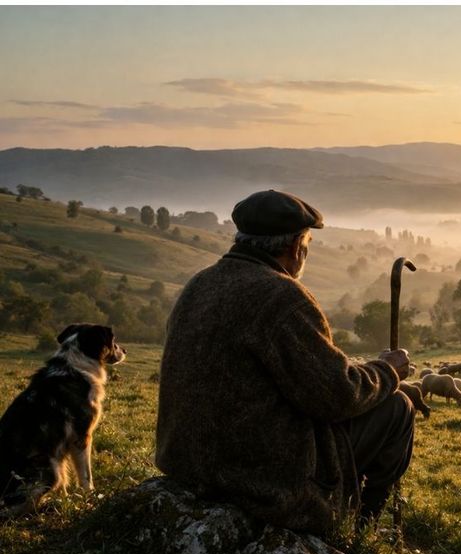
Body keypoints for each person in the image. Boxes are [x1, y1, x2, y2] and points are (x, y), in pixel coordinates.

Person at [155, 189, 415, 535]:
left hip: (187, 462)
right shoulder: (283, 296)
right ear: (295, 247)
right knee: (398, 407)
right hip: (258, 478)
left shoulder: (199, 284)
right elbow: (336, 395)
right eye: (307, 244)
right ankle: (358, 526)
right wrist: (387, 371)